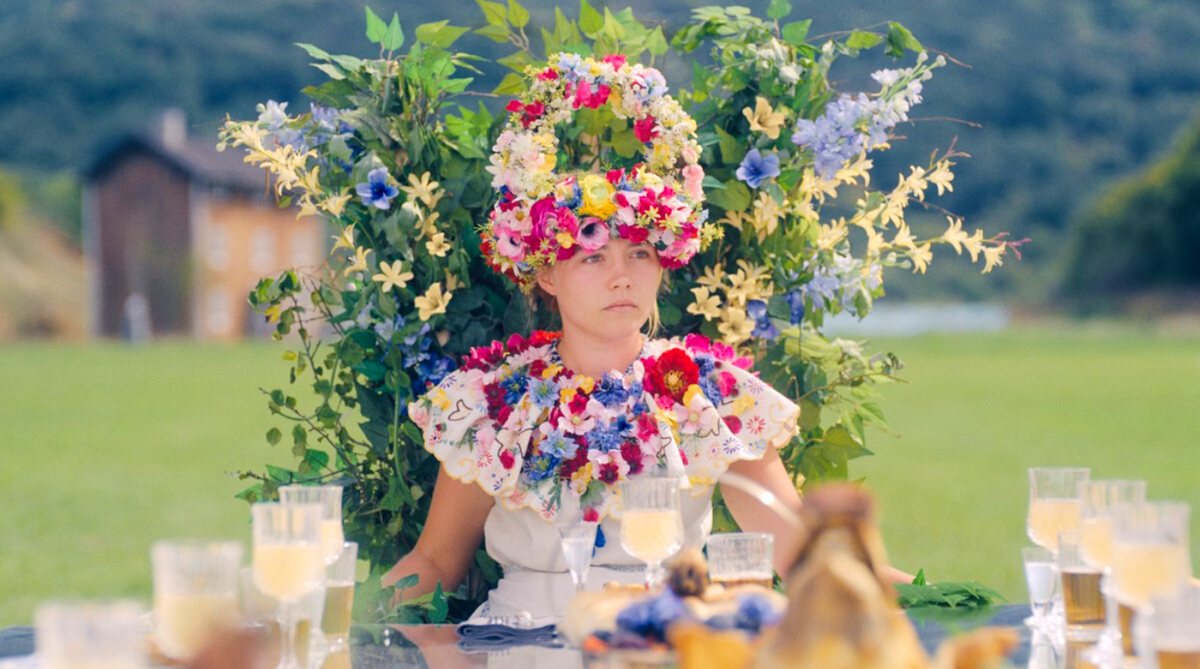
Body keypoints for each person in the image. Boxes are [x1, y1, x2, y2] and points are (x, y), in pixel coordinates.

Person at [381, 52, 903, 622]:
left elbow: (801, 553)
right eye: (593, 258)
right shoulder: (491, 400)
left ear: (663, 265)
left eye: (639, 253)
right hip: (520, 643)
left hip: (672, 637)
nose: (622, 275)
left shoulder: (710, 391)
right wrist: (343, 620)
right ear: (547, 275)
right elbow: (434, 562)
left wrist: (944, 598)